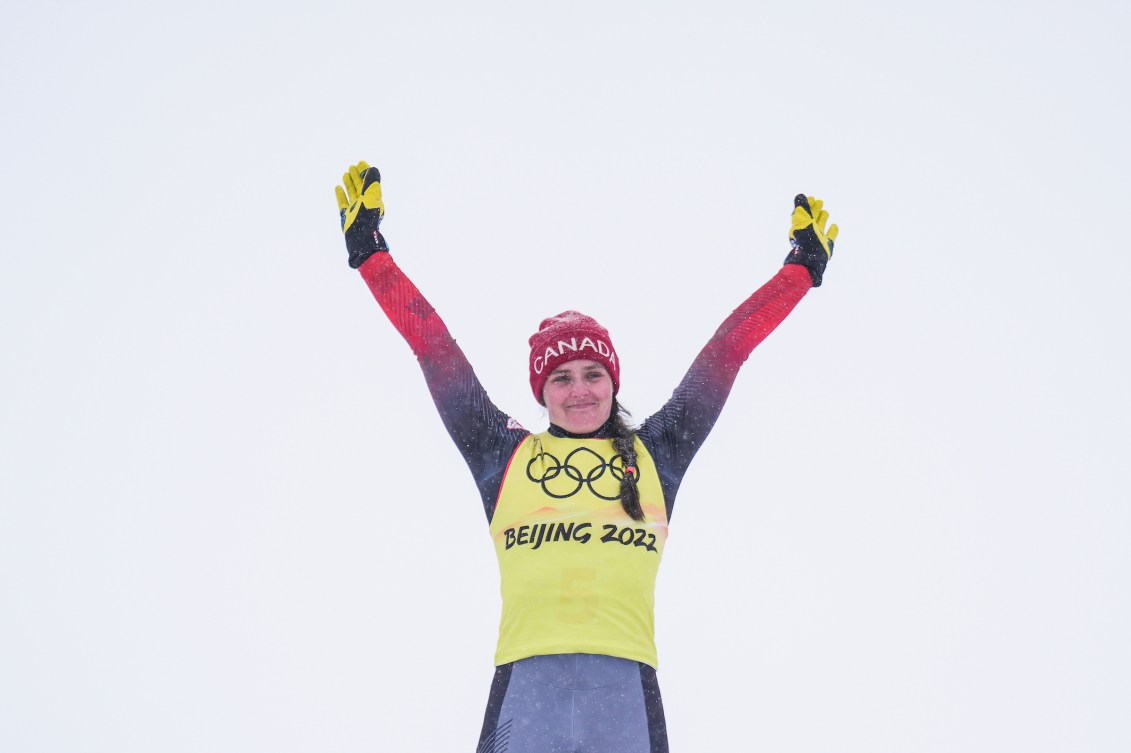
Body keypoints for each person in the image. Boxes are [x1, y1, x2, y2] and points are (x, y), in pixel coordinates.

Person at [334, 161, 840, 753]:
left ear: (612, 381)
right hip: (526, 687)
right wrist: (373, 259)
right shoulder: (504, 453)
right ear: (542, 392)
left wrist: (800, 272)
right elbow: (433, 348)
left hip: (623, 691)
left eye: (593, 374)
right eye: (562, 377)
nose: (580, 390)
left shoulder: (658, 454)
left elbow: (728, 351)